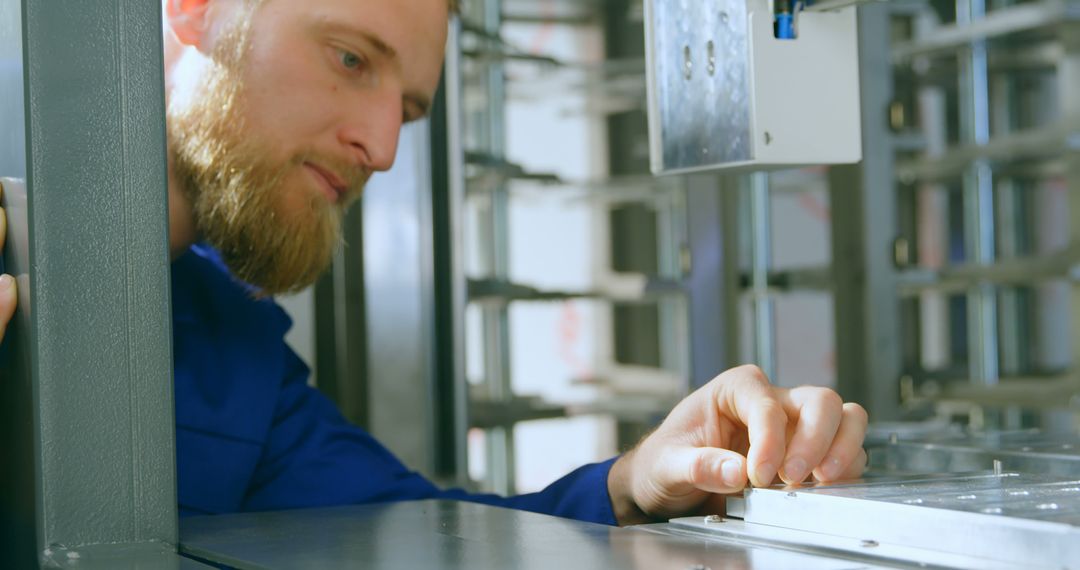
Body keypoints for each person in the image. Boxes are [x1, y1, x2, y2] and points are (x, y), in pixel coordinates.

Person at [0, 0, 868, 526]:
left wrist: (635, 483)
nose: (380, 148)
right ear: (193, 7)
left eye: (408, 112)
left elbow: (412, 537)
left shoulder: (235, 355)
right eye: (349, 58)